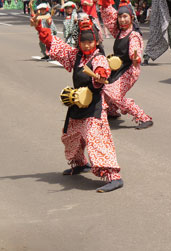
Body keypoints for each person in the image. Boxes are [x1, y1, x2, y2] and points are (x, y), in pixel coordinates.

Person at [31, 14, 123, 193]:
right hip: (77, 103)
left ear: (96, 42)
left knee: (96, 140)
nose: (87, 45)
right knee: (70, 137)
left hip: (94, 106)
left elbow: (102, 71)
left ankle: (113, 176)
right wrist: (40, 29)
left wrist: (101, 76)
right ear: (79, 42)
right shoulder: (76, 56)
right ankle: (80, 163)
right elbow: (55, 46)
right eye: (83, 41)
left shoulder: (98, 58)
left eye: (90, 41)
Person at [99, 0, 154, 129]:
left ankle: (143, 117)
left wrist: (135, 57)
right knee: (101, 87)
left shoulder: (134, 35)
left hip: (130, 69)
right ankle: (111, 111)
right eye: (120, 17)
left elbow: (135, 52)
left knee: (114, 94)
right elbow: (107, 12)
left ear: (131, 17)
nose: (122, 19)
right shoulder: (120, 31)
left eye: (125, 16)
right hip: (119, 68)